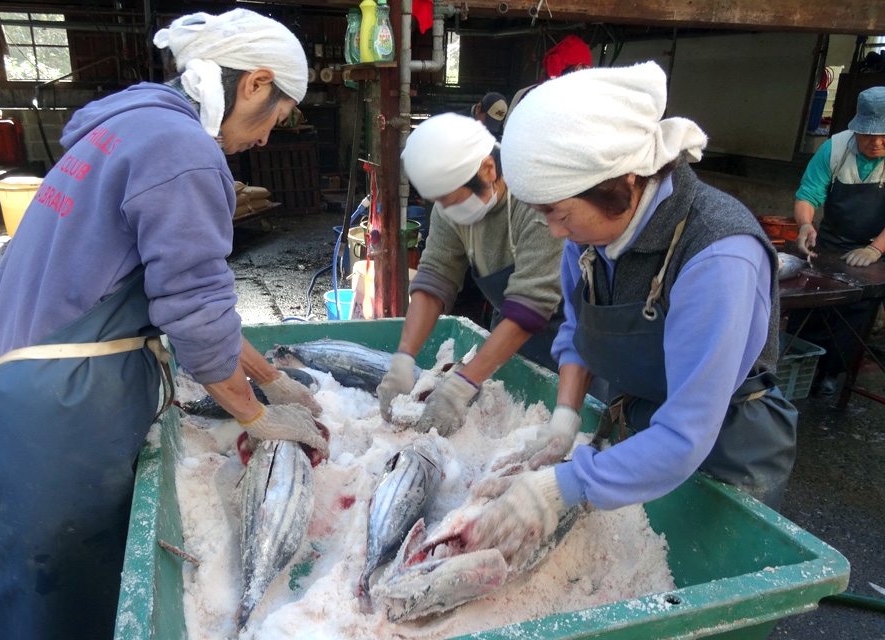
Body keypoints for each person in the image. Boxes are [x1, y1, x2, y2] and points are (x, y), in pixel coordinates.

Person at [0, 9, 327, 640]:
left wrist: (272, 380)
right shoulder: (184, 151)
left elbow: (191, 301)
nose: (264, 141)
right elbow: (198, 318)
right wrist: (257, 418)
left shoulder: (126, 127)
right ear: (255, 83)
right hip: (62, 412)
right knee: (62, 606)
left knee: (19, 601)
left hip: (19, 391)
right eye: (276, 119)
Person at [465, 62, 798, 565]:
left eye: (557, 212)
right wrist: (565, 417)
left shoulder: (717, 255)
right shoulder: (589, 236)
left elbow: (687, 432)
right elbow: (579, 331)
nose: (553, 231)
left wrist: (558, 488)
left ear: (620, 183)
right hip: (642, 428)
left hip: (725, 447)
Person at [377, 112, 566, 435]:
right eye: (439, 202)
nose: (447, 210)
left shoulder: (537, 202)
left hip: (568, 341)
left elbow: (531, 305)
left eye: (451, 199)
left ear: (488, 170)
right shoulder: (449, 206)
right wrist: (404, 359)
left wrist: (459, 388)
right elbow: (435, 278)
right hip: (505, 336)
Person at [792, 86, 885, 395]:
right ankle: (798, 364)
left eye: (884, 134)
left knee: (856, 309)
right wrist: (805, 225)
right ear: (855, 128)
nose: (876, 142)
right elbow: (808, 194)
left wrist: (874, 250)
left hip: (876, 246)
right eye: (868, 134)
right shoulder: (834, 148)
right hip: (830, 241)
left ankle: (833, 372)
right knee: (810, 302)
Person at [507, 34, 592, 117]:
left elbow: (507, 128)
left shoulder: (522, 93)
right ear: (578, 68)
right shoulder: (575, 105)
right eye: (588, 69)